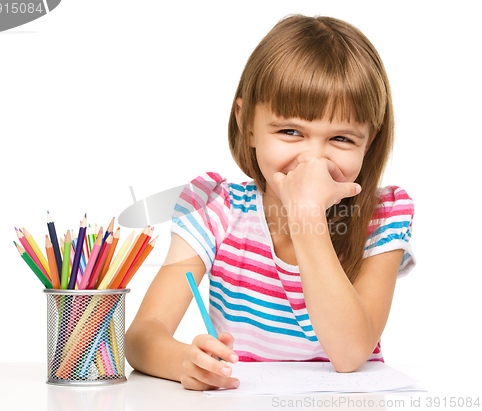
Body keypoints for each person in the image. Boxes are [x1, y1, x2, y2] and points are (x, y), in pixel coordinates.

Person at [125, 14, 416, 391]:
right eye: (291, 131)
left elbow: (349, 354)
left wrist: (306, 215)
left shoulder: (383, 217)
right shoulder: (215, 210)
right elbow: (142, 336)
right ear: (247, 123)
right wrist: (184, 360)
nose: (314, 160)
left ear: (369, 141)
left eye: (342, 138)